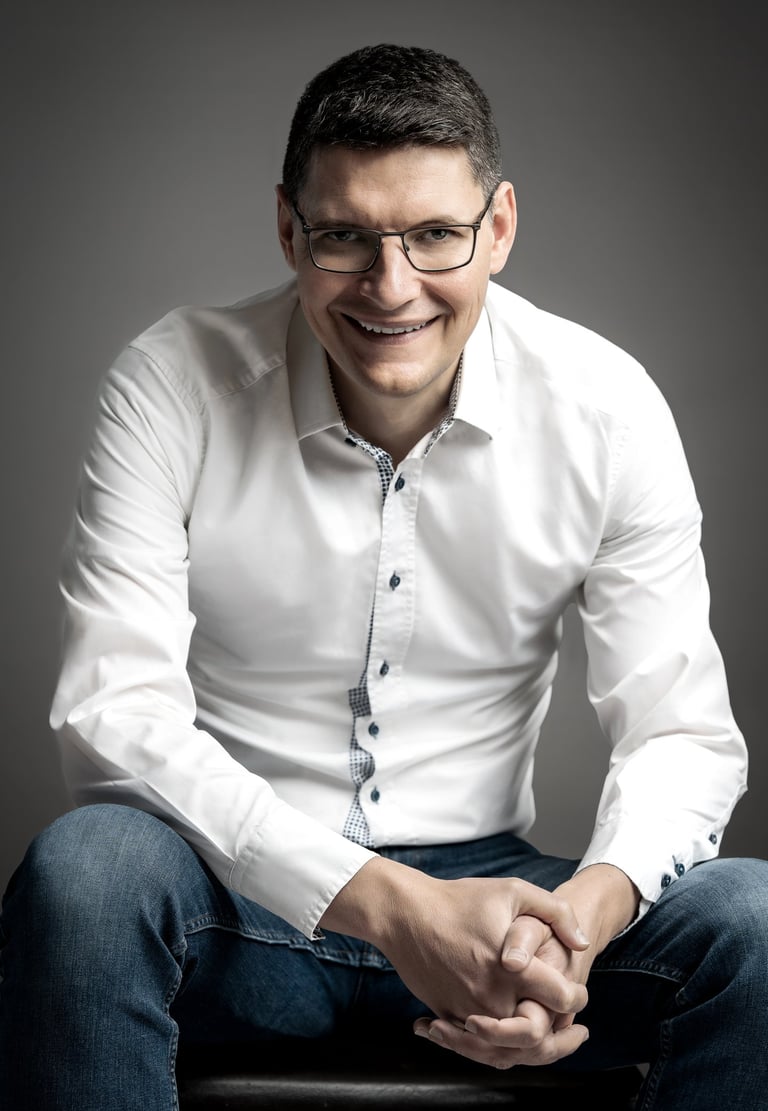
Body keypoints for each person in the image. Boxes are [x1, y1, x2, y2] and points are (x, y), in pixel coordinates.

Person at [0, 42, 765, 1110]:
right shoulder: (173, 381)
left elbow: (680, 733)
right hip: (240, 897)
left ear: (498, 227)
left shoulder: (607, 408)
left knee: (753, 921)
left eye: (436, 235)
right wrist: (391, 906)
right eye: (345, 237)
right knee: (85, 874)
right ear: (288, 229)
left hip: (505, 905)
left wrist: (580, 922)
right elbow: (111, 714)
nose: (391, 285)